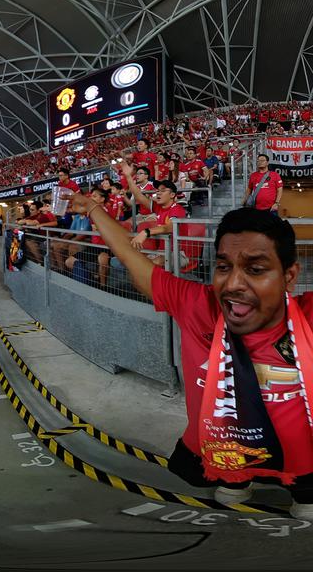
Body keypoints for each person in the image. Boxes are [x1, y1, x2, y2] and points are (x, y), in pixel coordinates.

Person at [73, 197, 313, 520]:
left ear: (289, 276)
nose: (234, 284)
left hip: (303, 458)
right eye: (224, 266)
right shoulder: (196, 305)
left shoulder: (308, 317)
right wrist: (92, 209)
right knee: (220, 480)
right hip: (222, 454)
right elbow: (132, 258)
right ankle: (238, 479)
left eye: (256, 269)